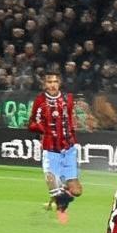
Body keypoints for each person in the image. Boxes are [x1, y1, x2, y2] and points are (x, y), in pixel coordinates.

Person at [29, 70, 81, 224]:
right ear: (44, 84)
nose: (52, 85)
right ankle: (61, 208)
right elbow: (32, 123)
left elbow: (70, 119)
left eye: (55, 82)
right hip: (51, 149)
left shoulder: (68, 99)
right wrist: (42, 128)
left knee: (77, 191)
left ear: (60, 83)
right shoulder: (40, 101)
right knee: (52, 181)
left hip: (69, 149)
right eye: (49, 82)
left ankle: (59, 197)